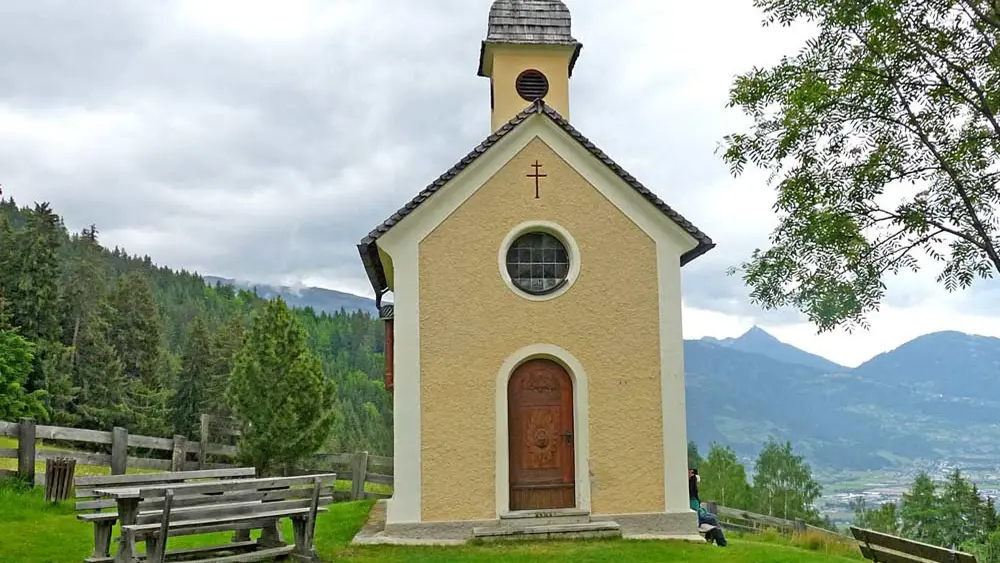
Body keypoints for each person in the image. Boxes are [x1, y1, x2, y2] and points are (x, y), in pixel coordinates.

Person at [689, 469, 728, 547]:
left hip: (699, 515)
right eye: (697, 483)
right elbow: (696, 513)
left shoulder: (693, 498)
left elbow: (698, 509)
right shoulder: (692, 499)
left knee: (713, 517)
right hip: (697, 519)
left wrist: (703, 512)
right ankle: (721, 541)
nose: (698, 485)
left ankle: (719, 540)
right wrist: (703, 513)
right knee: (713, 519)